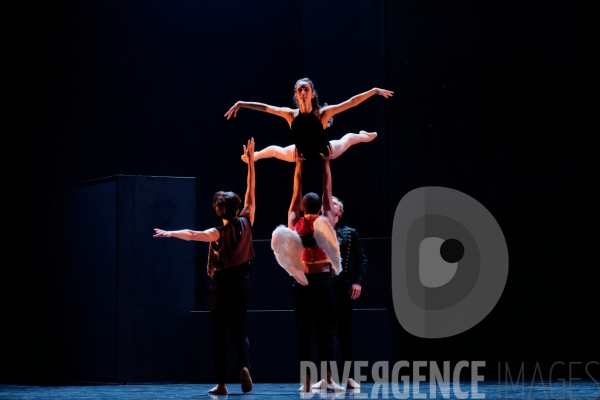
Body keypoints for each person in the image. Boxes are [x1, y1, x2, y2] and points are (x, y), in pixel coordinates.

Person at [153, 138, 257, 395]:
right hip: (242, 285)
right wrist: (251, 163)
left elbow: (191, 233)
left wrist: (169, 233)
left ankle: (222, 384)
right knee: (240, 330)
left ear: (218, 210)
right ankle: (244, 366)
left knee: (218, 335)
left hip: (221, 288)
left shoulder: (217, 232)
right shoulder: (247, 220)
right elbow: (251, 191)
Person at [271, 148, 344, 393]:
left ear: (302, 209)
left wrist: (298, 164)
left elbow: (295, 193)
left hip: (303, 285)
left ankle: (305, 381)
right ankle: (329, 378)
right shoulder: (326, 222)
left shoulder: (295, 222)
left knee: (303, 333)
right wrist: (326, 163)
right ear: (321, 208)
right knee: (328, 331)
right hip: (323, 281)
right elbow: (328, 191)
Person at [224, 77, 393, 162]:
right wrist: (242, 103)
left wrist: (374, 90)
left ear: (312, 94)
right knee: (275, 151)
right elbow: (266, 108)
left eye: (306, 90)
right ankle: (254, 157)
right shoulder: (290, 114)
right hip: (300, 152)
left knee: (348, 139)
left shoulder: (323, 113)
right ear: (296, 96)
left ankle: (365, 135)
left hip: (325, 151)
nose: (303, 93)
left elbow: (352, 102)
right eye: (300, 90)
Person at [312, 196, 368, 390]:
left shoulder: (350, 233)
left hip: (342, 284)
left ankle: (349, 376)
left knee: (345, 331)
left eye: (333, 203)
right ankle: (325, 376)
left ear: (339, 212)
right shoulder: (317, 231)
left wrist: (357, 282)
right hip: (322, 284)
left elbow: (362, 260)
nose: (328, 204)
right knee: (324, 331)